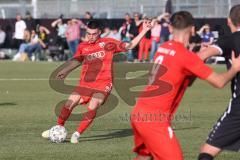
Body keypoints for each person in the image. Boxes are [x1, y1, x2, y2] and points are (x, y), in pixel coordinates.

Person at [130, 11, 240, 160]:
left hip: (139, 112)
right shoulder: (186, 56)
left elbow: (183, 80)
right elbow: (219, 82)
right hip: (155, 119)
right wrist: (234, 68)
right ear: (193, 29)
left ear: (170, 29)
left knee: (144, 157)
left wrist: (197, 63)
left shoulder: (162, 47)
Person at [42, 20, 153, 144]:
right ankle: (58, 127)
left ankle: (77, 134)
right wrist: (66, 70)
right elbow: (78, 60)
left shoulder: (108, 43)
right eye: (88, 33)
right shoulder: (82, 46)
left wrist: (144, 30)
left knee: (93, 105)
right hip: (85, 83)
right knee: (69, 103)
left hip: (103, 83)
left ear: (99, 32)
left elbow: (129, 46)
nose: (90, 36)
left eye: (93, 34)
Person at [197, 4, 240, 160]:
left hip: (238, 111)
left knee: (207, 152)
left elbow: (198, 58)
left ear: (229, 21)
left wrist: (207, 50)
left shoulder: (230, 39)